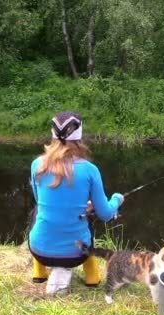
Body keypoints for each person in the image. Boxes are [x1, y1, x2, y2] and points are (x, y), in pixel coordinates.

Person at [29, 112, 124, 294]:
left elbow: (40, 201)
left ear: (52, 135)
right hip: (76, 255)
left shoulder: (37, 165)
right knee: (86, 220)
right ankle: (92, 278)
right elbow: (105, 214)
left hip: (39, 251)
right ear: (79, 137)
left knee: (37, 213)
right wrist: (116, 200)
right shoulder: (90, 170)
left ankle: (39, 273)